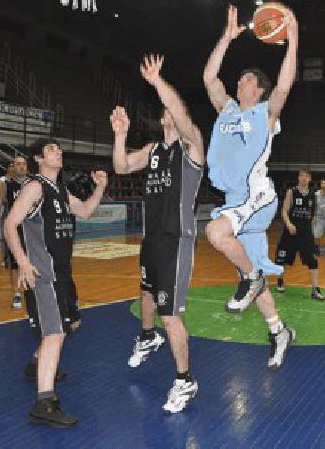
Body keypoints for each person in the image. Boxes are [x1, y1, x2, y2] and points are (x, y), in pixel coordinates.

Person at [202, 4, 299, 371]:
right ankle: (278, 331)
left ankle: (252, 279)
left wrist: (292, 40)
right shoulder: (226, 111)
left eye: (246, 80)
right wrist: (225, 39)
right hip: (236, 200)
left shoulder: (265, 115)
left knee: (215, 231)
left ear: (259, 91)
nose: (239, 82)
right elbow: (210, 78)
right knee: (252, 269)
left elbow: (286, 85)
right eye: (239, 79)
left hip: (258, 197)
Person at [111, 54, 206, 413]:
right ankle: (147, 337)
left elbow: (180, 112)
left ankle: (185, 380)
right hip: (151, 239)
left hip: (176, 240)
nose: (168, 112)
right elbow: (121, 166)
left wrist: (157, 82)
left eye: (172, 108)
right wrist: (120, 135)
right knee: (146, 291)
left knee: (171, 314)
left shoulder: (192, 146)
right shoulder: (153, 151)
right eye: (164, 109)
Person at [3, 138, 108, 428]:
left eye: (59, 149)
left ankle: (36, 364)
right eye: (51, 149)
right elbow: (10, 224)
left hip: (62, 273)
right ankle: (44, 403)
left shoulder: (60, 190)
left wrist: (100, 187)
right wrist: (23, 262)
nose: (58, 152)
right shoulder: (34, 187)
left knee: (66, 325)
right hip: (43, 273)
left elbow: (85, 211)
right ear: (38, 158)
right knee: (55, 333)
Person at [273, 169, 325, 301]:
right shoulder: (292, 192)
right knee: (281, 259)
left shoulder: (314, 195)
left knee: (312, 260)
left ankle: (315, 289)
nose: (303, 178)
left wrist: (309, 225)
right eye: (301, 175)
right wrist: (289, 224)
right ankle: (280, 280)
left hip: (305, 233)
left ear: (310, 178)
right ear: (298, 178)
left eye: (306, 176)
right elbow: (284, 211)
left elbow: (313, 213)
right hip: (290, 231)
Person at [0, 156, 30, 310]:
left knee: (33, 260)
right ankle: (16, 293)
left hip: (31, 229)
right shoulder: (4, 184)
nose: (21, 167)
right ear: (13, 167)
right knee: (14, 263)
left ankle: (31, 290)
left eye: (24, 164)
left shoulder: (33, 183)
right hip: (13, 229)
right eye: (17, 164)